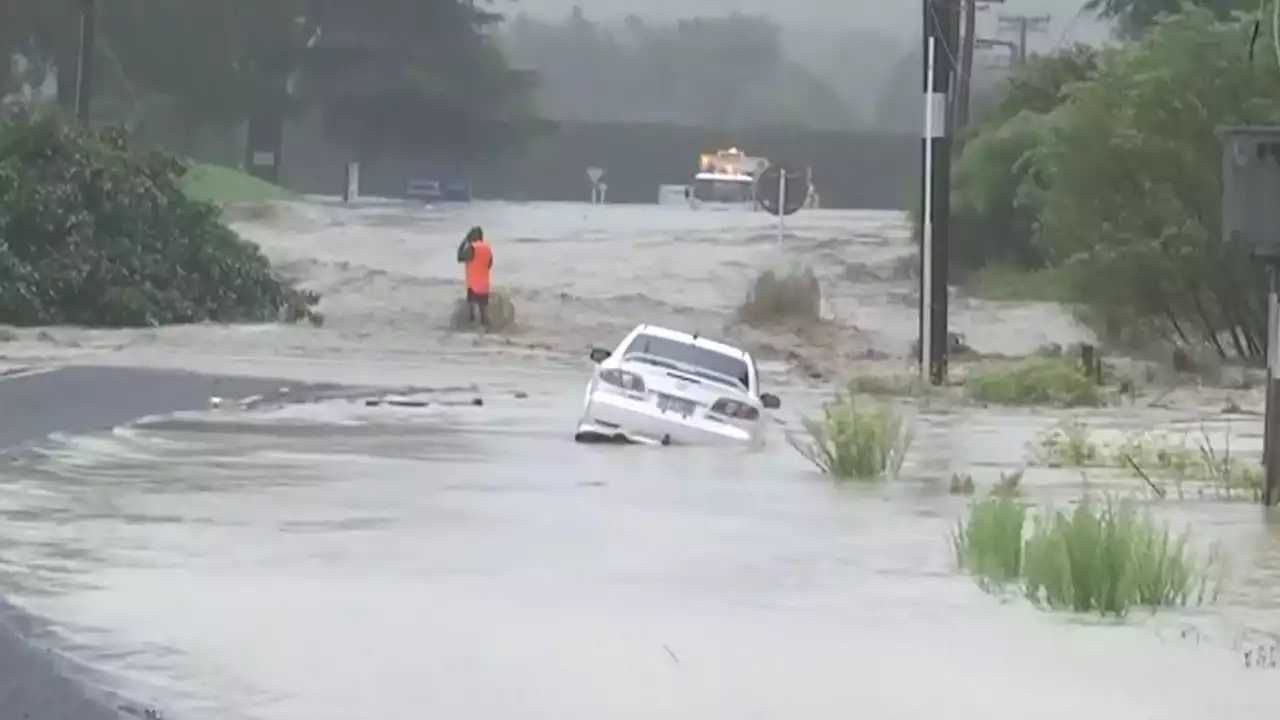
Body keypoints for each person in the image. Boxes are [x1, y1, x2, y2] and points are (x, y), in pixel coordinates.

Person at [456, 226, 494, 328]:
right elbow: (489, 265)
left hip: (473, 285)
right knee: (484, 315)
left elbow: (460, 257)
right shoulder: (487, 248)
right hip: (485, 286)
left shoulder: (472, 248)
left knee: (471, 314)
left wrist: (464, 241)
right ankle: (487, 332)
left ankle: (469, 332)